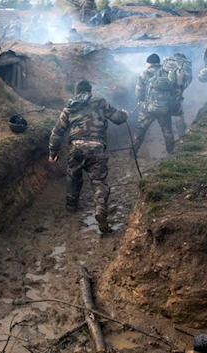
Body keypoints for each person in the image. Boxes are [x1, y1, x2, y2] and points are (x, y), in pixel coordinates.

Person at [48, 80, 129, 233]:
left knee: (73, 177)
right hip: (96, 146)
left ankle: (71, 206)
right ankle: (100, 209)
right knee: (98, 181)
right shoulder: (100, 102)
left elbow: (58, 132)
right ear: (90, 91)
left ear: (76, 93)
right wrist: (125, 114)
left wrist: (53, 152)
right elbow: (118, 118)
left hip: (76, 147)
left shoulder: (69, 107)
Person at [133, 53, 175, 156]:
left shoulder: (144, 74)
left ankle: (133, 152)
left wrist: (142, 101)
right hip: (164, 108)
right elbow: (173, 90)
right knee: (167, 131)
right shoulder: (167, 73)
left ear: (149, 63)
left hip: (148, 109)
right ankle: (172, 153)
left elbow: (138, 92)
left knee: (140, 130)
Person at [163, 52, 192, 136]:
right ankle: (181, 134)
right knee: (178, 113)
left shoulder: (166, 62)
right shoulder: (185, 64)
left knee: (164, 113)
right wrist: (181, 90)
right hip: (176, 92)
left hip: (163, 92)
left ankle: (167, 133)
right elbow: (188, 79)